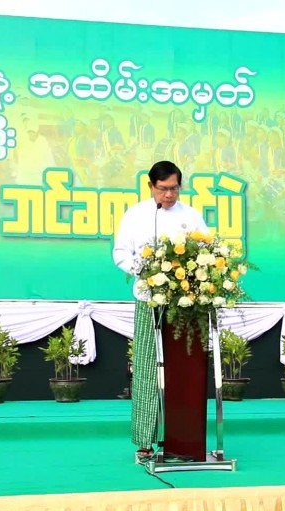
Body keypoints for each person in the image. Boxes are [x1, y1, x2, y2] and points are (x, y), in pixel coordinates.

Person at [112, 160, 208, 459]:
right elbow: (120, 254)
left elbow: (207, 249)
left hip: (186, 304)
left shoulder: (191, 215)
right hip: (149, 299)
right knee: (147, 369)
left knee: (185, 371)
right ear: (151, 186)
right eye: (163, 189)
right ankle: (145, 440)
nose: (169, 195)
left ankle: (184, 440)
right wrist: (145, 269)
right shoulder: (136, 215)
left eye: (175, 189)